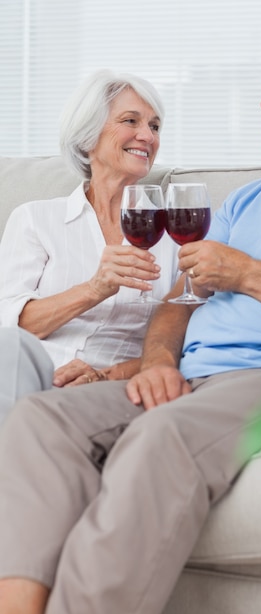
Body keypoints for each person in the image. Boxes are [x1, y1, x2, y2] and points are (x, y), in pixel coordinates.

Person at [1, 26, 261, 614]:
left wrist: (252, 275)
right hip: (194, 378)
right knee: (40, 420)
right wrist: (159, 363)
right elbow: (177, 301)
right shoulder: (249, 201)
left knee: (161, 438)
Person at [0, 69, 179, 390]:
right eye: (130, 121)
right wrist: (95, 288)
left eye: (154, 126)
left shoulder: (174, 235)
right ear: (87, 137)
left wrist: (107, 375)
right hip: (26, 373)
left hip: (107, 384)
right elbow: (11, 327)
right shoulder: (35, 219)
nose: (148, 137)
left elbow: (184, 342)